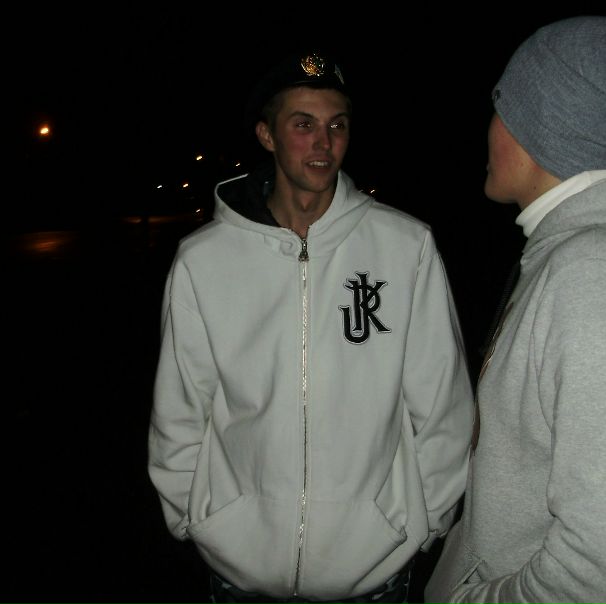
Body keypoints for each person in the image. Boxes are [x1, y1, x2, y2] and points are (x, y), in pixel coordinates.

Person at [147, 48, 474, 603]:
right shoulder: (204, 260)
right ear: (267, 135)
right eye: (303, 125)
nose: (323, 142)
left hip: (373, 567)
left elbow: (441, 401)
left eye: (336, 126)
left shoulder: (405, 246)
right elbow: (180, 405)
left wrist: (425, 521)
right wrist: (194, 519)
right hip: (239, 567)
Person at [425, 15, 606, 604]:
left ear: (540, 124)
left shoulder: (593, 273)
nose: (490, 129)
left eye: (502, 108)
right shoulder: (578, 255)